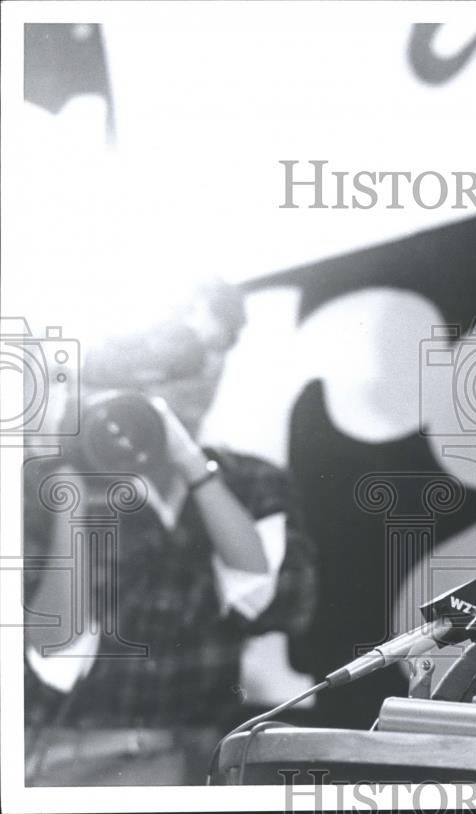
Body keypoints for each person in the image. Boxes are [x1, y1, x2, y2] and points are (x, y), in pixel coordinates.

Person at [22, 280, 317, 785]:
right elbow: (53, 649)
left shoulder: (249, 482)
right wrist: (67, 478)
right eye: (182, 346)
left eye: (217, 346)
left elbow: (278, 602)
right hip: (69, 761)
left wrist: (193, 467)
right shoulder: (46, 485)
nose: (202, 367)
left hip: (199, 758)